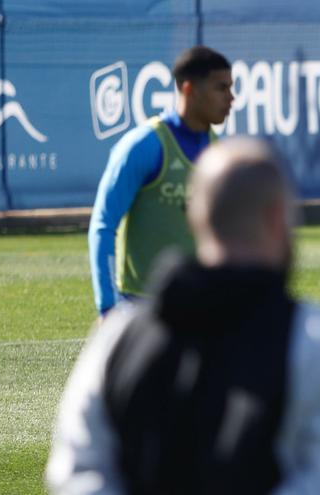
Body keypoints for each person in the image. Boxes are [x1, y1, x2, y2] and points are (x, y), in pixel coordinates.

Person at [47, 137, 320, 494]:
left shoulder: (118, 338)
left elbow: (78, 474)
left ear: (196, 216)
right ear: (278, 216)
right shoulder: (319, 342)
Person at [88, 45, 234, 318]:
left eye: (231, 88)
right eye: (221, 88)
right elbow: (103, 225)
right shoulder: (144, 146)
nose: (231, 98)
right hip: (142, 309)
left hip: (201, 306)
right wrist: (108, 308)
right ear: (189, 89)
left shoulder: (218, 153)